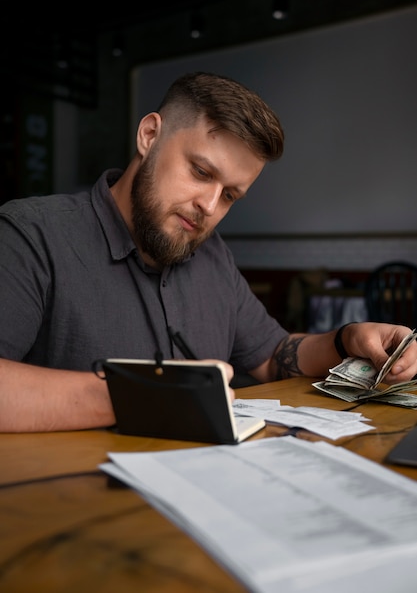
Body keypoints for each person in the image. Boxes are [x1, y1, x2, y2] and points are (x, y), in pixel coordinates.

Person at [0, 71, 416, 433]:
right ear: (149, 135)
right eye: (201, 172)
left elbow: (273, 357)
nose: (210, 207)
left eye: (231, 195)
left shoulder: (212, 254)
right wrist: (147, 395)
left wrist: (347, 341)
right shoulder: (32, 234)